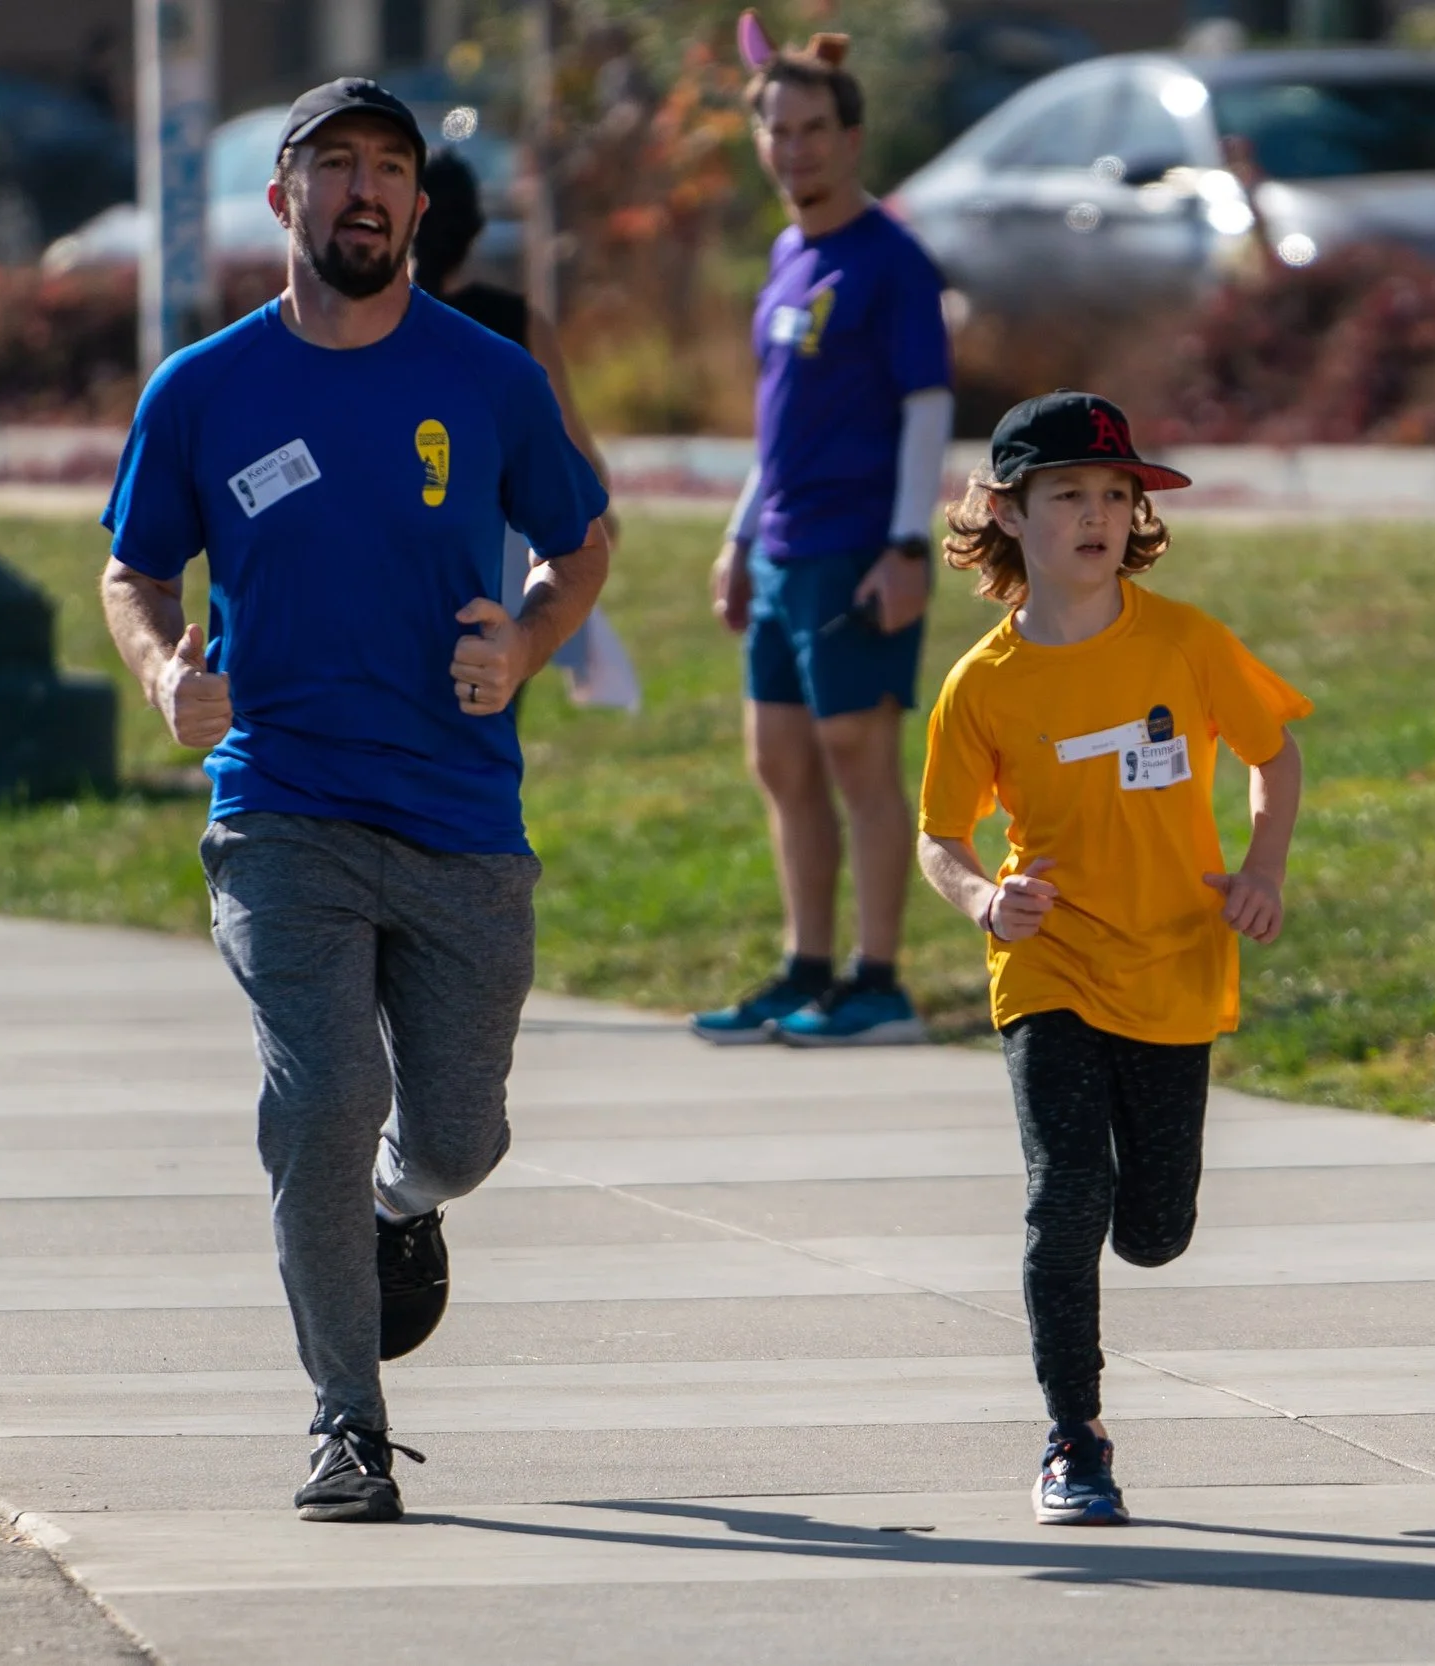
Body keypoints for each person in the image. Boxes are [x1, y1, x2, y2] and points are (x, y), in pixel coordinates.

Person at [96, 78, 611, 1524]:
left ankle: (405, 1200)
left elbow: (579, 547)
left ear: (421, 209)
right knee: (321, 1098)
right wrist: (161, 675)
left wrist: (524, 640)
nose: (366, 192)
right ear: (282, 198)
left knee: (456, 1136)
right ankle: (346, 1421)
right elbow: (134, 568)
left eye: (392, 168)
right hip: (281, 802)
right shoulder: (201, 390)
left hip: (457, 814)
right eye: (336, 168)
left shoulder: (489, 378)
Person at [915, 391, 1310, 1526]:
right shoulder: (982, 683)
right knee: (1066, 1193)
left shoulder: (1184, 643)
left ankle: (1126, 1282)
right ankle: (1072, 1437)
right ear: (1008, 514)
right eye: (1067, 495)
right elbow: (941, 837)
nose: (1096, 516)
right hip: (1049, 967)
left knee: (1153, 1229)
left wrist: (1262, 869)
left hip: (1177, 957)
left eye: (1113, 494)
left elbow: (1273, 757)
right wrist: (988, 900)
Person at [688, 14, 955, 1047]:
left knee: (857, 760)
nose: (792, 148)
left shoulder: (891, 262)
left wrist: (905, 547)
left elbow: (926, 409)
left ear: (851, 138)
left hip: (857, 549)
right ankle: (805, 967)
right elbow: (777, 424)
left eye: (811, 129)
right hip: (784, 549)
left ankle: (877, 980)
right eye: (775, 131)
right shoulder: (787, 252)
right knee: (781, 764)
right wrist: (738, 537)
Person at [411, 149, 636, 710]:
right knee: (491, 701)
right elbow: (572, 444)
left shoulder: (380, 326)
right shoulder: (514, 324)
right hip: (499, 557)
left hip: (403, 550)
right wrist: (596, 517)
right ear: (475, 231)